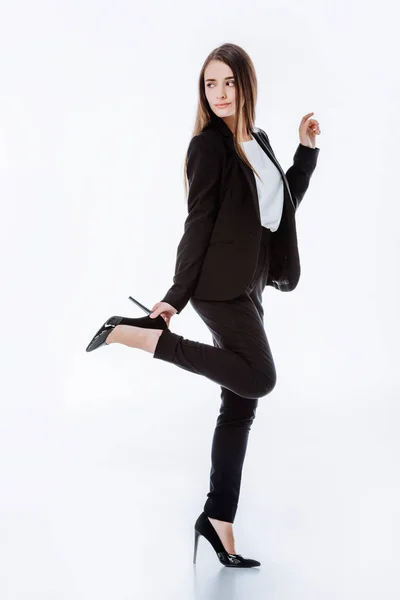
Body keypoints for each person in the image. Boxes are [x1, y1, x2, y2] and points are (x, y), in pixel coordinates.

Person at [85, 42, 321, 568]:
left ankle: (217, 521)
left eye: (229, 83)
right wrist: (172, 300)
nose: (219, 93)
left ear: (246, 85)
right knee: (259, 376)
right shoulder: (208, 148)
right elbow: (197, 225)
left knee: (240, 403)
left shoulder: (256, 141)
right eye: (210, 84)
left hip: (253, 284)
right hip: (218, 286)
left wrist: (304, 153)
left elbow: (281, 208)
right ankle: (148, 339)